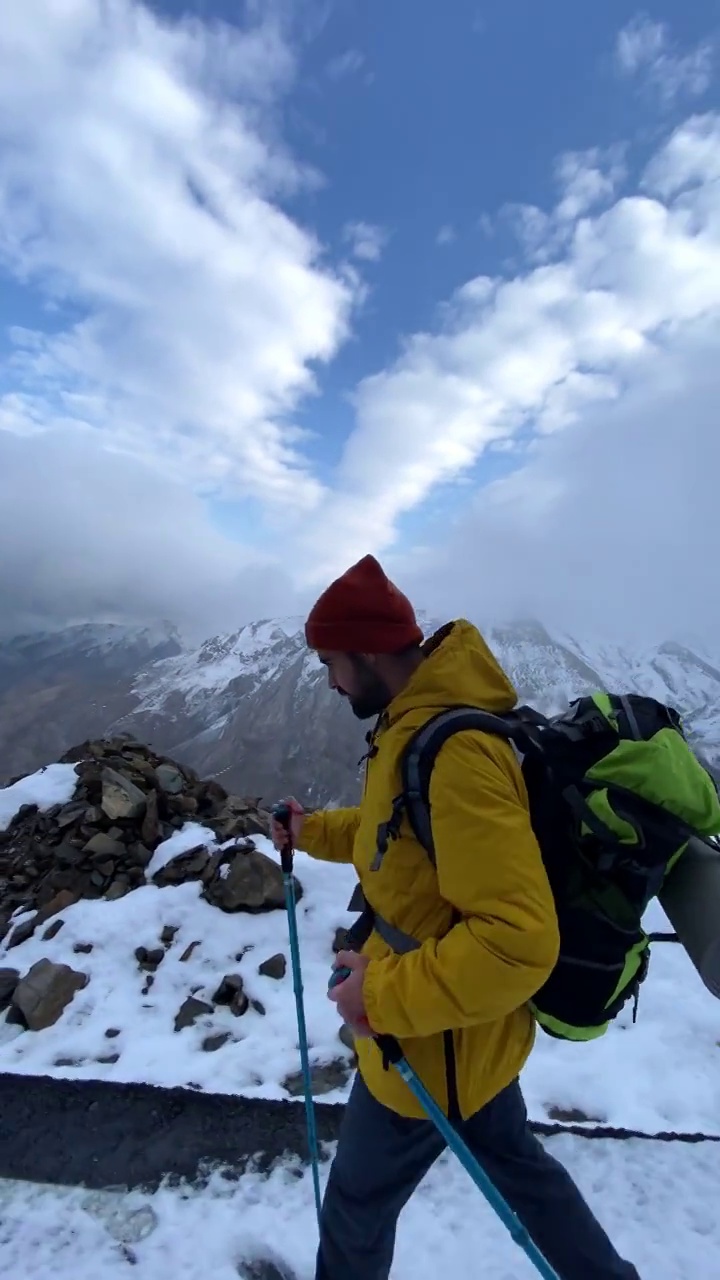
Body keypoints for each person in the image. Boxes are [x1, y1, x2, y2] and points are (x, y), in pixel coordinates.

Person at [271, 554, 641, 1280]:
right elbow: (394, 837)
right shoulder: (411, 728)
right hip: (471, 1039)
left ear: (372, 653)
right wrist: (313, 830)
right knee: (521, 1169)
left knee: (354, 1208)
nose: (331, 681)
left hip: (429, 1046)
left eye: (332, 663)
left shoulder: (454, 752)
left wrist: (378, 996)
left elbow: (517, 943)